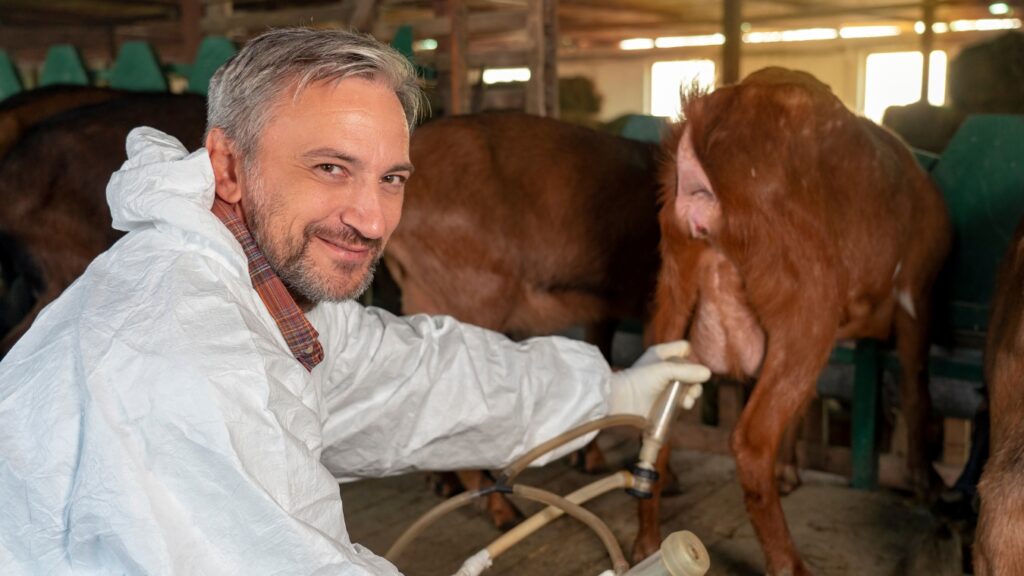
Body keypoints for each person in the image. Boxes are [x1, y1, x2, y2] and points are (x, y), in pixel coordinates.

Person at [0, 28, 709, 575]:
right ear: (227, 165)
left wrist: (609, 392)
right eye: (330, 168)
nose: (373, 219)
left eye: (391, 177)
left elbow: (404, 378)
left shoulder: (245, 283)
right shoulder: (181, 356)